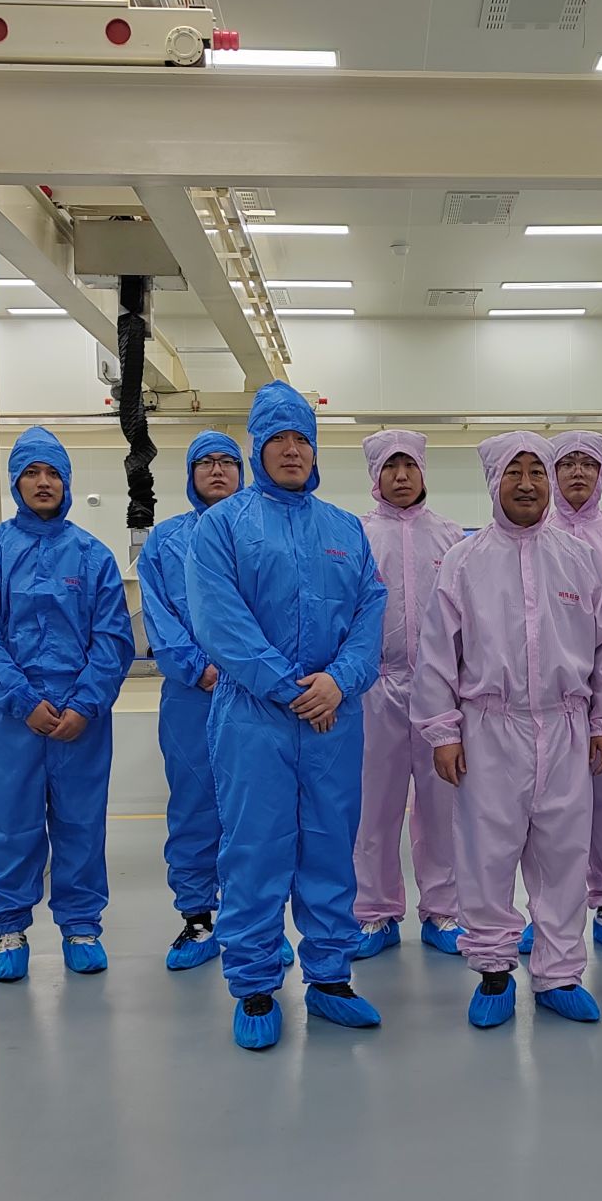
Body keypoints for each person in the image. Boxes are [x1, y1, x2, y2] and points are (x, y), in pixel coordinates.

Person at [188, 381, 389, 1050]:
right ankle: (253, 984)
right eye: (278, 439)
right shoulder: (222, 527)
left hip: (334, 717)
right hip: (255, 719)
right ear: (257, 448)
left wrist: (339, 681)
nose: (293, 450)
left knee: (331, 843)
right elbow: (220, 620)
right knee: (255, 847)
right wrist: (291, 690)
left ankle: (330, 978)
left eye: (303, 438)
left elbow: (370, 611)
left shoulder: (345, 529)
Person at [413, 433, 602, 1028]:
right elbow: (437, 654)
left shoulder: (578, 558)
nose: (529, 484)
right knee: (486, 854)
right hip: (490, 726)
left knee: (564, 853)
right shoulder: (464, 561)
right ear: (494, 482)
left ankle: (560, 974)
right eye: (515, 472)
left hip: (566, 725)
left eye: (538, 471)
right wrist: (443, 731)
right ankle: (492, 970)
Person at [0, 426, 134, 983]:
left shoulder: (94, 557)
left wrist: (85, 704)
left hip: (82, 721)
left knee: (82, 822)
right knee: (11, 822)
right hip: (13, 721)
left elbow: (113, 640)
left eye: (53, 473)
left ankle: (81, 926)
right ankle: (9, 928)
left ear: (68, 483)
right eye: (31, 473)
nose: (43, 482)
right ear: (15, 482)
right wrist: (22, 700)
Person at [524, 429, 602, 956]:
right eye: (567, 463)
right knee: (544, 817)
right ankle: (546, 910)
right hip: (548, 704)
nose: (577, 472)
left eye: (588, 464)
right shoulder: (531, 535)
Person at [352, 429, 466, 959]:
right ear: (374, 475)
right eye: (390, 467)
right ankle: (375, 911)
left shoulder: (452, 538)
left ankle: (443, 909)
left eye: (409, 466)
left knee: (443, 806)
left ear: (423, 471)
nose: (401, 477)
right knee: (374, 805)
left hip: (440, 689)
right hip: (375, 687)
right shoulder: (357, 536)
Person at [135, 429, 240, 970]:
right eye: (206, 463)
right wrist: (199, 670)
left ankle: (255, 922)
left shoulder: (261, 532)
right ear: (190, 475)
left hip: (253, 695)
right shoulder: (165, 542)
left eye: (227, 461)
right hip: (190, 698)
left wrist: (251, 670)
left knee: (255, 809)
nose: (217, 471)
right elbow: (158, 615)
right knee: (194, 804)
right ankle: (198, 919)